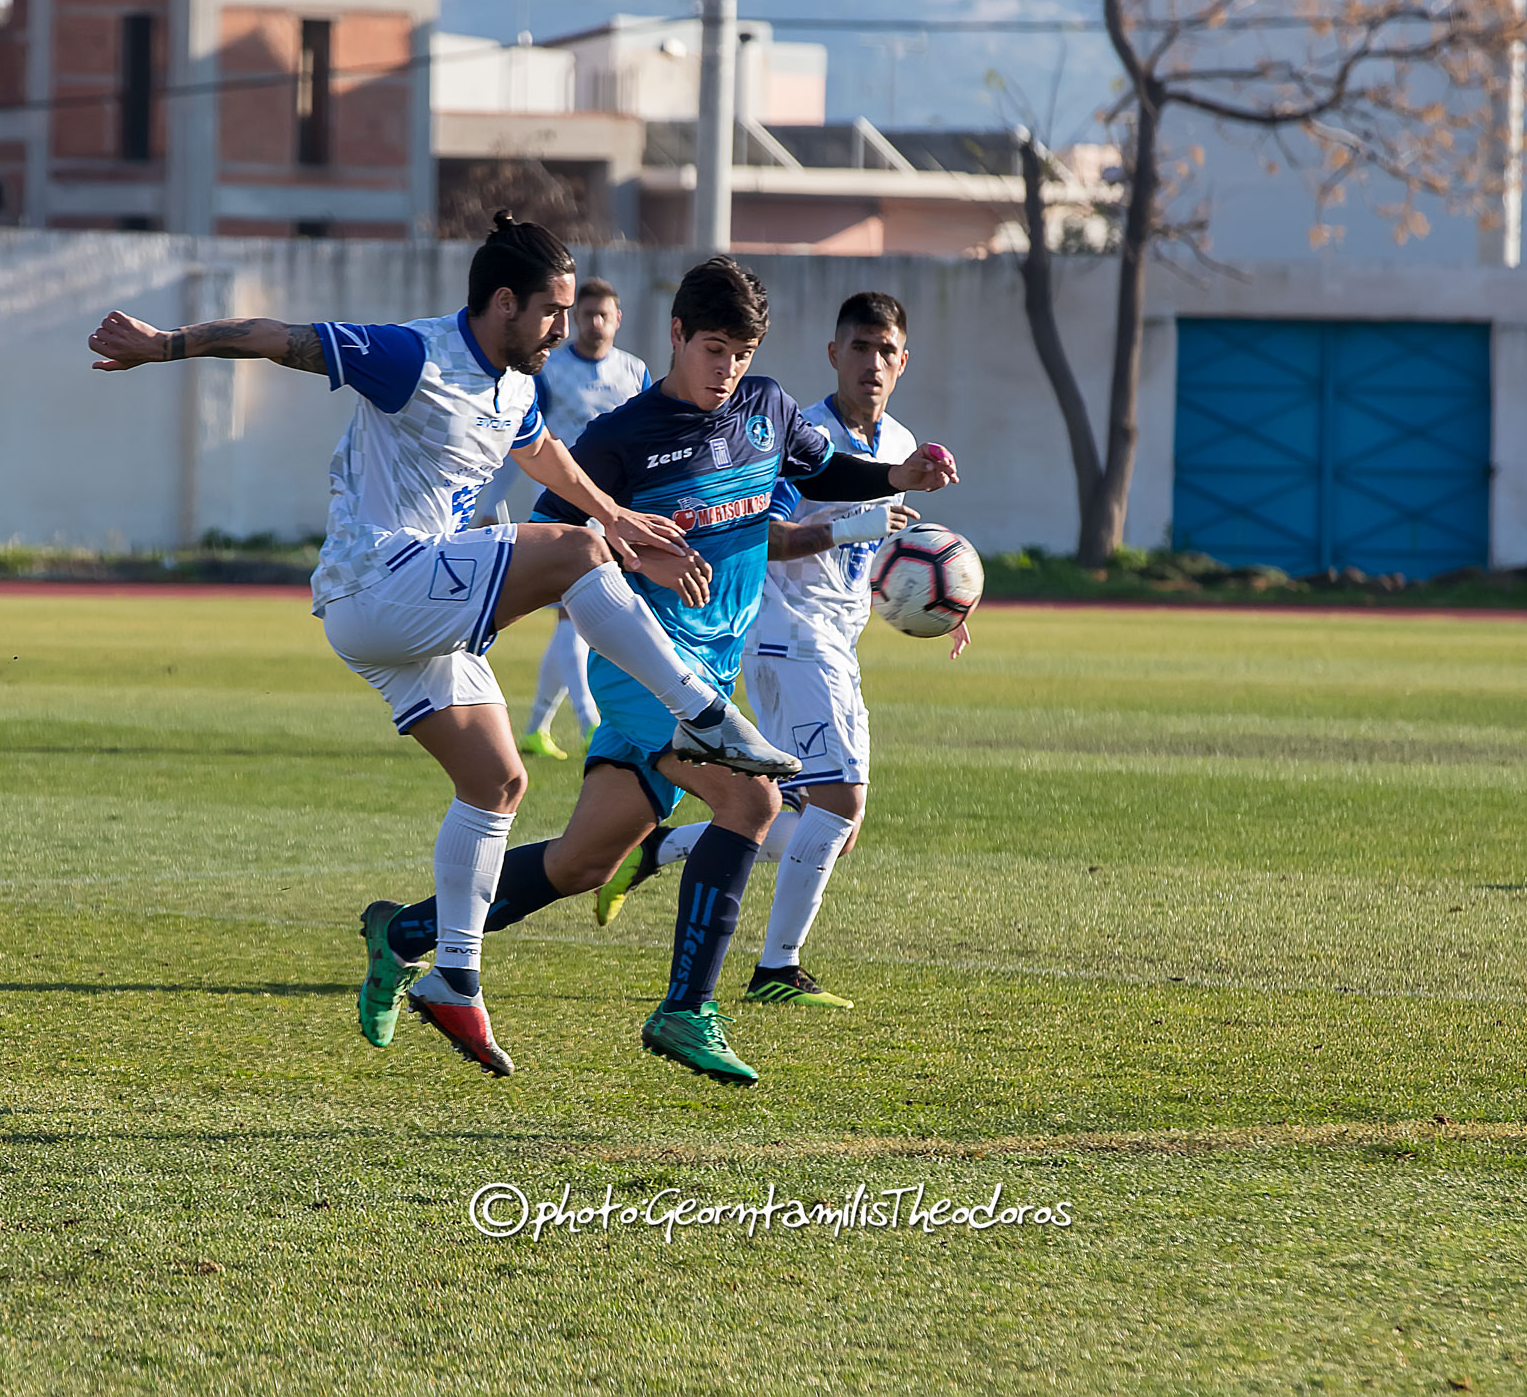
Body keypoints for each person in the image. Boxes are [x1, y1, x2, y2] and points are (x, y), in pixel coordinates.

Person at [84, 213, 801, 1081]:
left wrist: (618, 518)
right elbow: (279, 337)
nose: (565, 330)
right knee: (573, 552)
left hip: (409, 615)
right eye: (551, 312)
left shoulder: (515, 390)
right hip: (381, 583)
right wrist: (169, 345)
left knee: (498, 781)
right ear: (504, 302)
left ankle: (450, 974)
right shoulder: (414, 356)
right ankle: (706, 716)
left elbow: (549, 464)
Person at [360, 258, 960, 1086]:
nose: (728, 371)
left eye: (742, 354)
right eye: (714, 350)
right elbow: (554, 548)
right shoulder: (621, 438)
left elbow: (819, 470)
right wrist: (635, 547)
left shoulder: (767, 407)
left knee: (585, 863)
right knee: (750, 800)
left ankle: (404, 935)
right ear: (675, 335)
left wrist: (897, 476)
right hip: (644, 659)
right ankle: (687, 1009)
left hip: (716, 668)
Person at [589, 291, 967, 1011]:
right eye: (859, 348)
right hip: (781, 634)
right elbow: (770, 538)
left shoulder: (897, 444)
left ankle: (657, 850)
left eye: (886, 351)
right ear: (833, 354)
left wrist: (939, 605)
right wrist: (856, 524)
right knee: (840, 801)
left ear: (903, 362)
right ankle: (775, 970)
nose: (872, 364)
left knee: (827, 825)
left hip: (836, 640)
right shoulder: (800, 432)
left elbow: (889, 560)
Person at [513, 278, 653, 764]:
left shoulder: (635, 372)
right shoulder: (551, 370)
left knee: (571, 620)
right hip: (564, 511)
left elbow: (648, 439)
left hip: (616, 512)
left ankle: (535, 728)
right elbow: (523, 436)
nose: (594, 323)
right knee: (577, 617)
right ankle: (590, 722)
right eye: (586, 314)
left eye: (603, 315)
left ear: (619, 319)